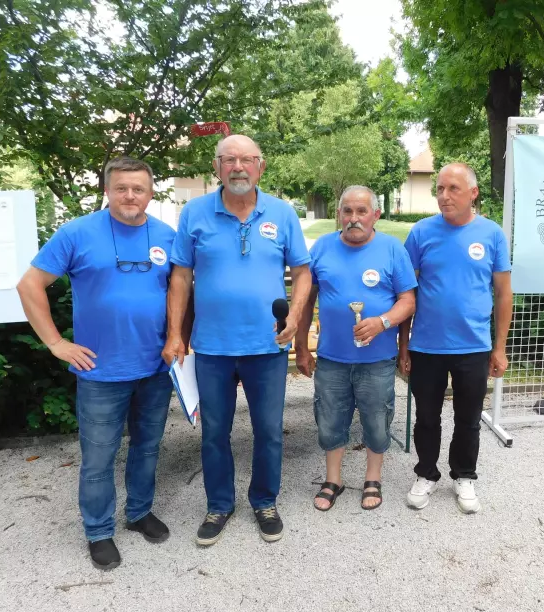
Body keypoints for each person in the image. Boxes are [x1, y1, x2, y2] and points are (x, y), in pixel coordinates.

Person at [16, 157, 176, 571]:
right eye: (121, 188)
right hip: (100, 371)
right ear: (107, 190)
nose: (130, 196)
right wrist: (56, 343)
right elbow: (29, 285)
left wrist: (180, 338)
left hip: (156, 368)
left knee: (147, 447)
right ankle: (99, 531)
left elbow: (181, 292)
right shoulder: (77, 233)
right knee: (99, 458)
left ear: (150, 193)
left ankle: (139, 512)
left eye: (138, 189)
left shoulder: (167, 236)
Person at [163, 134, 311, 545]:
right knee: (214, 432)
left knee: (269, 431)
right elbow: (180, 276)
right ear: (217, 167)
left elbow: (302, 272)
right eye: (229, 159)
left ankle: (264, 501)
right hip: (212, 347)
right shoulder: (195, 213)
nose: (238, 167)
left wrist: (295, 316)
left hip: (267, 345)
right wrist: (175, 334)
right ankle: (219, 505)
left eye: (247, 159)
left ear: (261, 166)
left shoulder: (282, 213)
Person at [399, 163, 512, 515]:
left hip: (474, 347)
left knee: (468, 418)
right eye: (440, 189)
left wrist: (500, 348)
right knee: (426, 417)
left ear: (473, 193)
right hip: (426, 346)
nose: (444, 196)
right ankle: (426, 473)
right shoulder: (421, 233)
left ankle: (464, 475)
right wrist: (403, 346)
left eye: (453, 189)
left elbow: (503, 293)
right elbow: (405, 293)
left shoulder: (492, 234)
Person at [294, 186, 416, 512]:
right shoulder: (322, 247)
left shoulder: (392, 249)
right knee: (329, 419)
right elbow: (306, 302)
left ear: (375, 215)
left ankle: (372, 478)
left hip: (377, 359)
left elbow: (408, 300)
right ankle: (333, 479)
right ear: (339, 214)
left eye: (362, 211)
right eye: (347, 211)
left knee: (377, 419)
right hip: (331, 358)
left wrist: (382, 322)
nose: (354, 218)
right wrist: (302, 346)